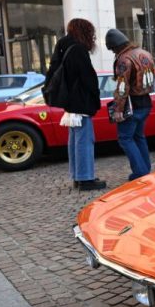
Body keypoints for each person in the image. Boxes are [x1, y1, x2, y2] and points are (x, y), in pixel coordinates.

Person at [45, 19, 106, 191]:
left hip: (69, 102)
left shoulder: (63, 46)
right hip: (80, 101)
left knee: (74, 141)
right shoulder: (78, 49)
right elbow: (88, 78)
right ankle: (86, 178)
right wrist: (95, 97)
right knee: (84, 141)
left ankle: (77, 177)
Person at [107, 29, 155, 180]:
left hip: (132, 104)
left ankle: (140, 172)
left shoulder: (124, 60)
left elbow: (122, 87)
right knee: (139, 136)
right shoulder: (145, 53)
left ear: (115, 47)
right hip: (146, 101)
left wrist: (118, 110)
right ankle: (145, 169)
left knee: (125, 138)